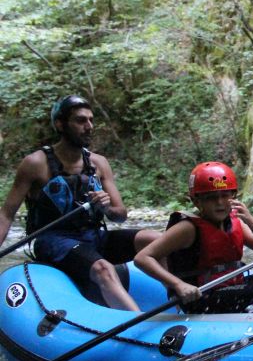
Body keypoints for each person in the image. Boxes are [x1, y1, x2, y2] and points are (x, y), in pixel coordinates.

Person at [0, 95, 159, 311]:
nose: (89, 126)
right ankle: (136, 323)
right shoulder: (35, 164)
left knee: (156, 239)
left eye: (91, 120)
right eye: (80, 120)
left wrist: (105, 206)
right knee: (103, 268)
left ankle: (176, 296)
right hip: (54, 241)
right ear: (60, 124)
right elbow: (7, 214)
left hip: (94, 236)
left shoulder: (98, 162)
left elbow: (120, 214)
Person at [134, 162, 253, 314]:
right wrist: (178, 285)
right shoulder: (187, 228)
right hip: (202, 297)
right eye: (211, 198)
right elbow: (142, 258)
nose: (220, 202)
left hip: (231, 287)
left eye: (225, 195)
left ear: (233, 196)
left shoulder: (233, 221)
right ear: (197, 202)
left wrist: (251, 221)